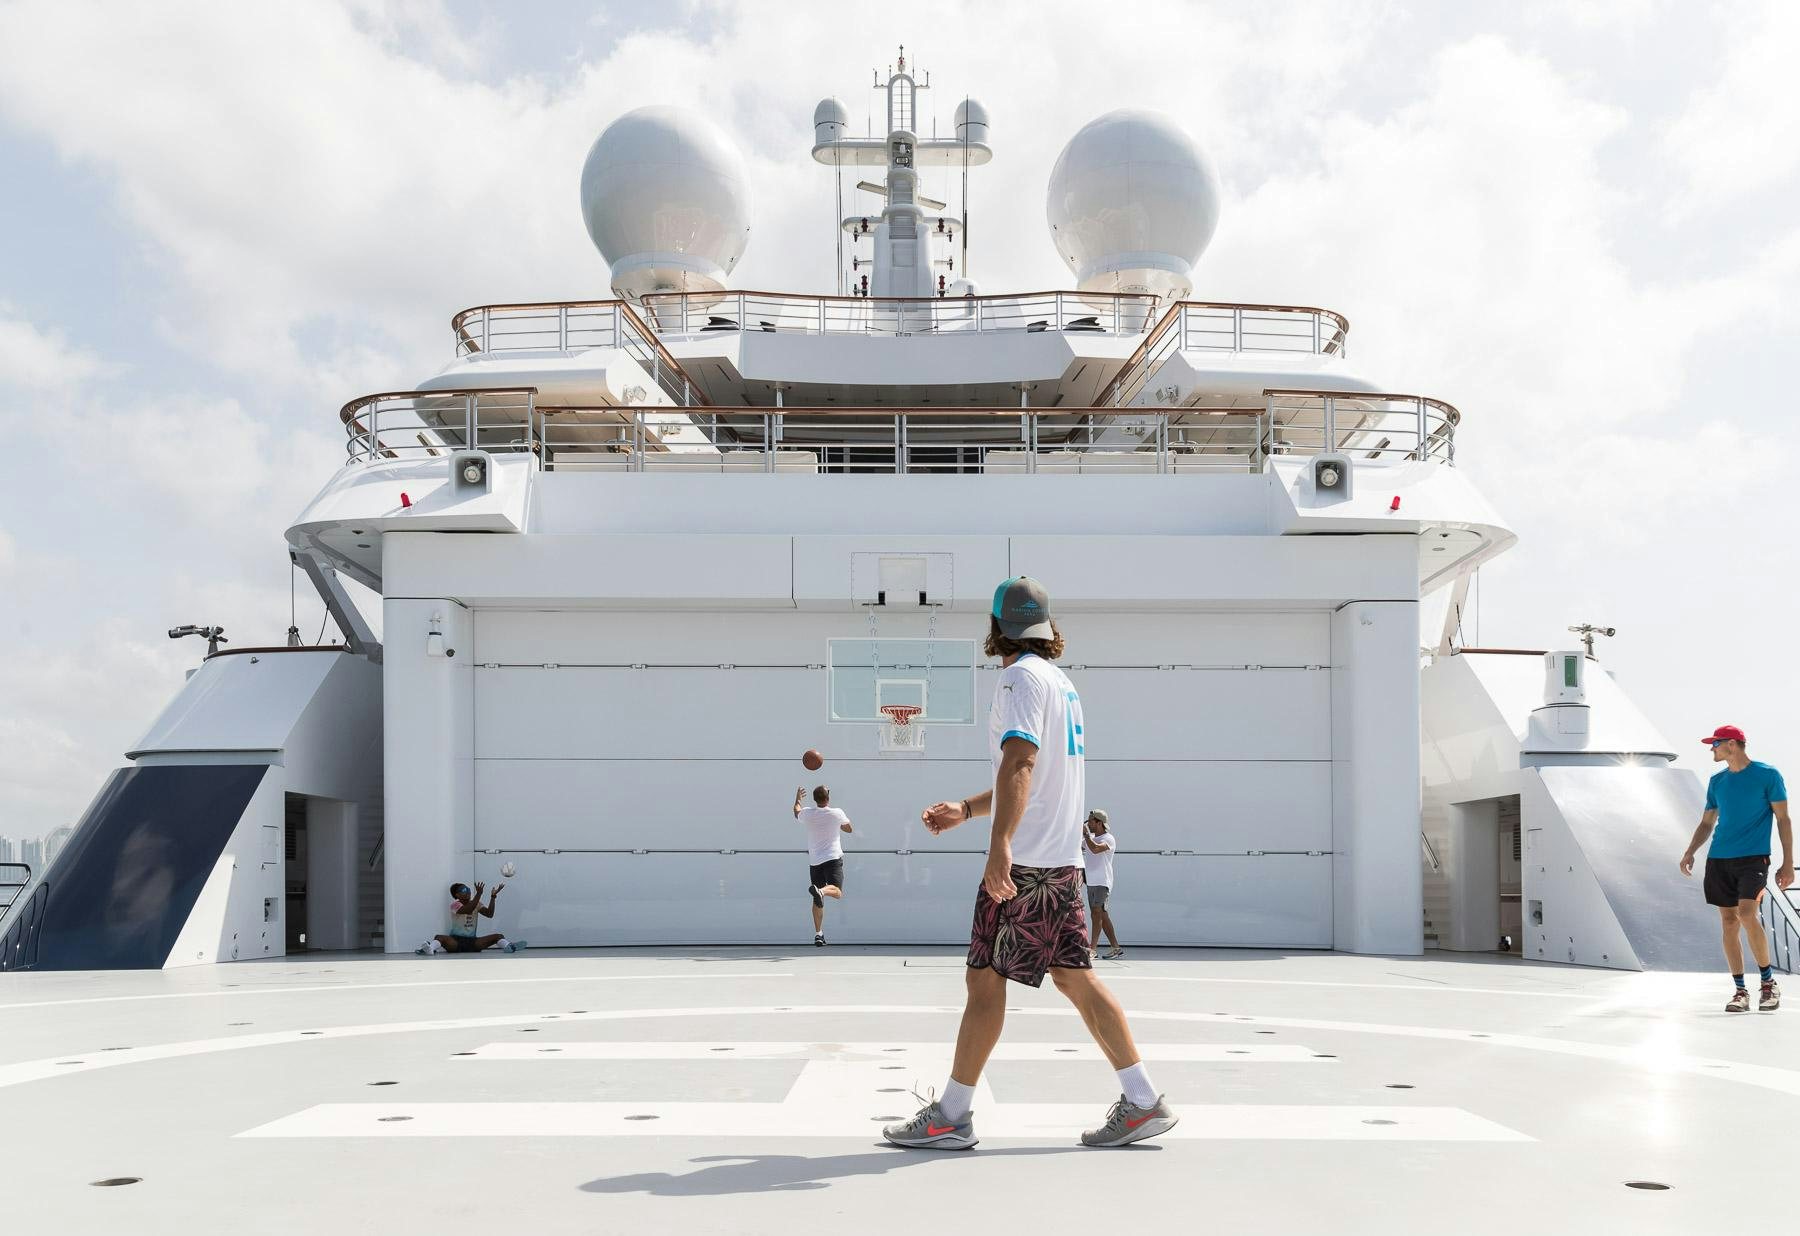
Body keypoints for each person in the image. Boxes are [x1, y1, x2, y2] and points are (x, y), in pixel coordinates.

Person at [886, 576, 1177, 1150]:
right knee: (1075, 977)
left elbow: (1019, 764)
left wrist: (1000, 849)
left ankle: (951, 1116)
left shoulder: (1019, 680)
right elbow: (1033, 778)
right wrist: (968, 810)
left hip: (1026, 869)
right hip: (1061, 864)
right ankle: (1143, 1100)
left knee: (983, 981)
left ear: (998, 627)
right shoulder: (1060, 684)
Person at [1679, 725, 1791, 1012]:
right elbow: (1707, 823)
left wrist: (1787, 862)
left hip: (1753, 858)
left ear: (1731, 744)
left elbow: (1783, 820)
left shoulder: (1768, 775)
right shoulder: (1717, 782)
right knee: (1728, 921)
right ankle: (1740, 991)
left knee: (1746, 914)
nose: (1711, 749)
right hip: (1719, 859)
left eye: (1714, 744)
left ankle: (1768, 984)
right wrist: (1691, 851)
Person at [793, 784, 853, 947]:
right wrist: (836, 823)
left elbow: (796, 811)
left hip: (815, 861)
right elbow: (849, 829)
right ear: (828, 798)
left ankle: (818, 934)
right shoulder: (837, 813)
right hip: (832, 858)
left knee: (817, 900)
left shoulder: (808, 814)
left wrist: (798, 798)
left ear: (814, 799)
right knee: (837, 892)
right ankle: (821, 891)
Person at [415, 881, 525, 954]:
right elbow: (468, 910)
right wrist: (479, 894)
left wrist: (493, 897)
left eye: (468, 889)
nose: (467, 892)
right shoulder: (455, 905)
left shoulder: (476, 903)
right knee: (440, 937)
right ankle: (430, 949)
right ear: (457, 895)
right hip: (456, 942)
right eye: (463, 890)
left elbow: (489, 914)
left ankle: (509, 947)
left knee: (498, 936)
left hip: (473, 942)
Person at [1083, 809, 1122, 960]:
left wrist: (1085, 834)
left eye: (1090, 821)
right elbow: (1076, 846)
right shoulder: (1090, 837)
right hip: (1091, 882)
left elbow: (1095, 849)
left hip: (1102, 881)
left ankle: (1092, 949)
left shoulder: (1108, 838)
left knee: (1096, 913)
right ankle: (1116, 947)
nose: (1088, 824)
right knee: (1102, 916)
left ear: (1099, 822)